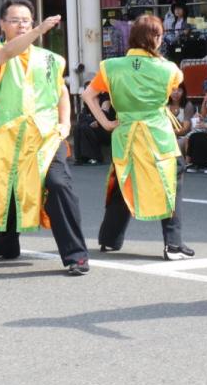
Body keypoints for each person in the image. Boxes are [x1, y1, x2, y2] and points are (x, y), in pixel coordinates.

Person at [0, 0, 90, 275]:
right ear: (2, 24)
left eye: (25, 20)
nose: (21, 25)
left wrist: (65, 123)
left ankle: (76, 254)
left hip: (45, 136)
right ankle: (6, 241)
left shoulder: (50, 59)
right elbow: (6, 54)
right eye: (14, 20)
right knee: (10, 188)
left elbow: (61, 91)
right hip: (7, 135)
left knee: (57, 184)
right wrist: (37, 31)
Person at [83, 13, 194, 261]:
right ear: (155, 38)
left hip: (125, 133)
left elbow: (88, 95)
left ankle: (109, 239)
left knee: (124, 180)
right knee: (171, 181)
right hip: (157, 134)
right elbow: (174, 83)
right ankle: (173, 244)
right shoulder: (169, 69)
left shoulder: (110, 67)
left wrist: (107, 123)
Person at [72, 80, 114, 165]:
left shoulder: (105, 98)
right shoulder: (87, 102)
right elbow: (82, 116)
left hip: (106, 129)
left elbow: (104, 114)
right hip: (94, 125)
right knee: (78, 127)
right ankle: (80, 157)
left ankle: (95, 157)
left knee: (85, 126)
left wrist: (93, 120)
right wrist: (91, 121)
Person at [167, 83, 195, 154]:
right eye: (173, 90)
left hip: (183, 137)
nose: (176, 93)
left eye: (179, 90)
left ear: (183, 92)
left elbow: (185, 129)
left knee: (175, 145)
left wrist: (170, 131)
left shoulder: (187, 105)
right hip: (167, 135)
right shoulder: (165, 105)